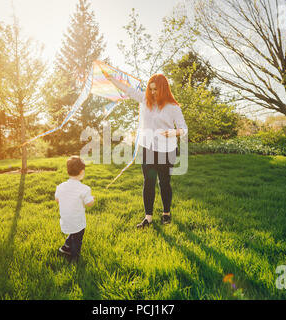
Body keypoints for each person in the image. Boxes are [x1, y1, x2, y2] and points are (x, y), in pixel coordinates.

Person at [102, 70, 188, 228]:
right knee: (148, 182)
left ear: (164, 89)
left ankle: (166, 214)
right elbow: (127, 89)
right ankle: (148, 217)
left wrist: (174, 132)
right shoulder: (143, 99)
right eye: (151, 89)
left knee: (164, 182)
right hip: (148, 148)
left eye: (156, 89)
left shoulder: (172, 107)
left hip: (167, 150)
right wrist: (111, 78)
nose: (153, 92)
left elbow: (184, 128)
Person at [55, 156, 94, 262]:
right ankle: (74, 257)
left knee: (73, 233)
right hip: (78, 222)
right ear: (82, 172)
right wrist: (92, 199)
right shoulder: (84, 189)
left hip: (65, 220)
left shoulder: (61, 187)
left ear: (68, 171)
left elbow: (57, 199)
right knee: (77, 238)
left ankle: (65, 248)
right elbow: (89, 203)